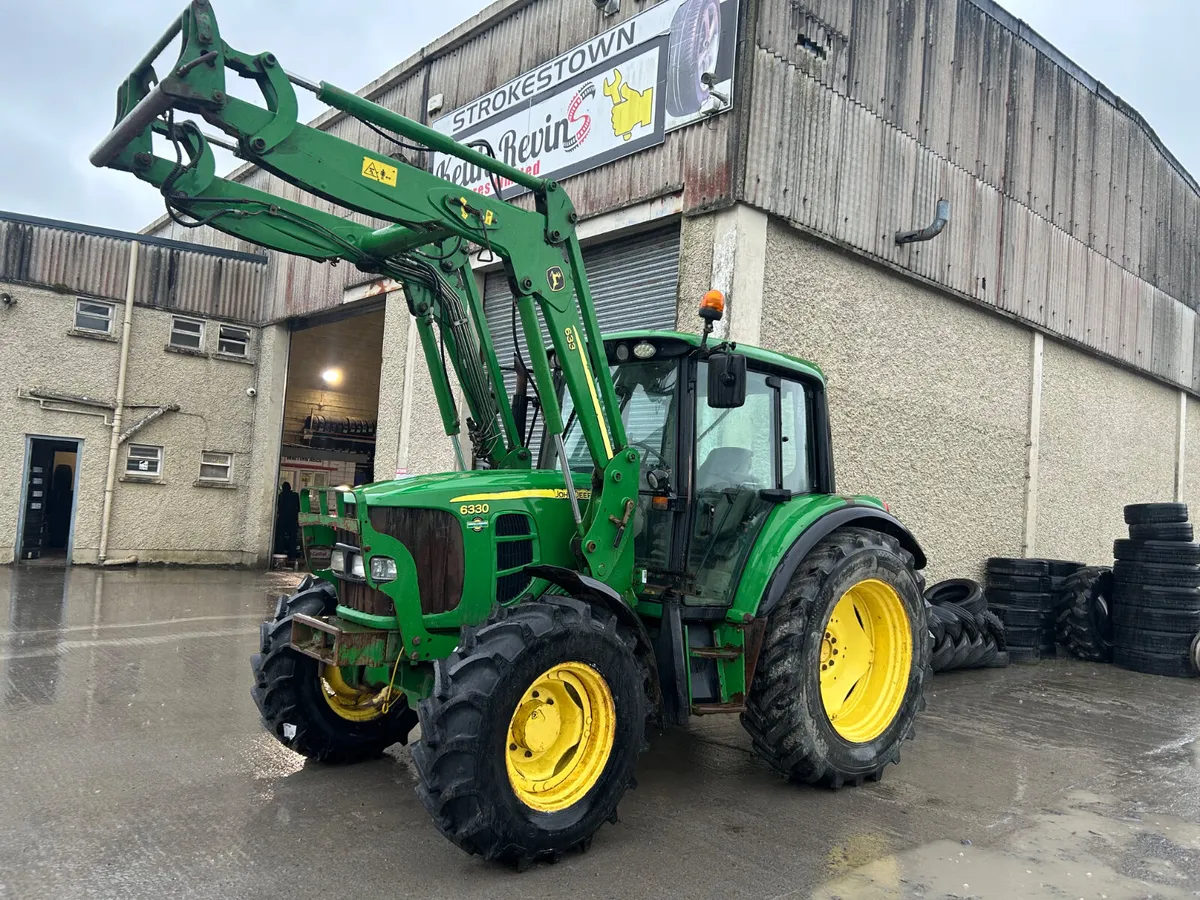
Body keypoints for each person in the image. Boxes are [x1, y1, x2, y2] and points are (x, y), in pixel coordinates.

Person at [275, 482, 301, 558]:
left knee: (280, 536)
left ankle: (280, 552)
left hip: (282, 519)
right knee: (292, 537)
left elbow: (278, 507)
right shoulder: (295, 495)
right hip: (292, 519)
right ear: (290, 487)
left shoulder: (281, 496)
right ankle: (292, 554)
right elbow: (298, 507)